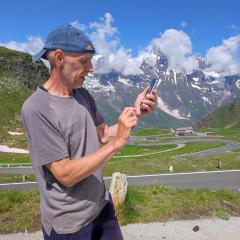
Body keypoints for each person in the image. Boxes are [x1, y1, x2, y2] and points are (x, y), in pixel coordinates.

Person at [21, 24, 157, 240]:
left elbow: (104, 134)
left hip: (101, 206)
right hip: (69, 225)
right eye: (84, 61)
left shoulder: (82, 95)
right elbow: (65, 174)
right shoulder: (37, 108)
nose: (91, 68)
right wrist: (116, 144)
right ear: (59, 58)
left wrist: (136, 113)